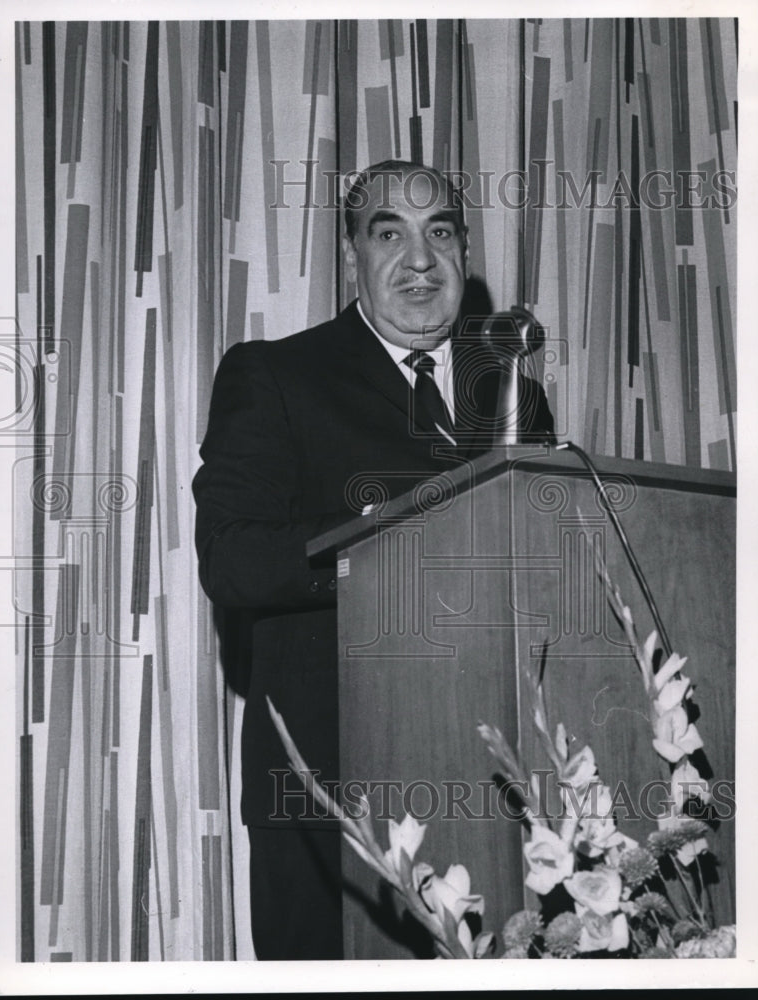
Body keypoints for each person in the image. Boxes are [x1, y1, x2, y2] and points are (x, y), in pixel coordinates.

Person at [192, 159, 555, 960]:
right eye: (388, 232)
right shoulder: (277, 374)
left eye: (441, 234)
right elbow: (234, 561)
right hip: (331, 791)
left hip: (497, 785)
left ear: (464, 252)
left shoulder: (511, 395)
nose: (419, 260)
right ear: (352, 254)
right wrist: (383, 525)